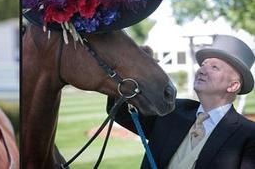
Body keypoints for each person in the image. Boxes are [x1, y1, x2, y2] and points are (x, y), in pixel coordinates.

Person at [109, 34, 255, 169]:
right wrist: (132, 67)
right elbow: (122, 113)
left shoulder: (249, 136)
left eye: (214, 67)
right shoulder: (173, 110)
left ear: (233, 85)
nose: (202, 70)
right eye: (203, 65)